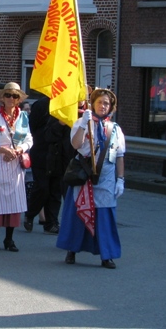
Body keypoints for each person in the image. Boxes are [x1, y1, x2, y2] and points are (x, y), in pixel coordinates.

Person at [57, 88, 126, 269]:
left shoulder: (115, 129)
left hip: (106, 179)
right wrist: (82, 124)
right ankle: (71, 250)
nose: (103, 106)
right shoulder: (82, 122)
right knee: (79, 213)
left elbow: (120, 156)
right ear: (92, 103)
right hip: (85, 176)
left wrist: (121, 179)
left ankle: (107, 255)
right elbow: (76, 144)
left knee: (104, 217)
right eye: (100, 102)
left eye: (106, 103)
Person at [0, 82, 33, 252]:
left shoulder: (23, 117)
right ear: (2, 98)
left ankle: (9, 239)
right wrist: (2, 150)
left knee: (14, 202)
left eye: (15, 96)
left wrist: (19, 149)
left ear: (19, 99)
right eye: (8, 95)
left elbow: (29, 140)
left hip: (15, 163)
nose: (11, 99)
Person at [24, 97, 75, 235]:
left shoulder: (69, 105)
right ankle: (30, 214)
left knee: (55, 190)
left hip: (61, 156)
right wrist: (58, 124)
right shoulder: (41, 105)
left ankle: (51, 223)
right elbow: (34, 129)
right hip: (42, 154)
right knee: (42, 188)